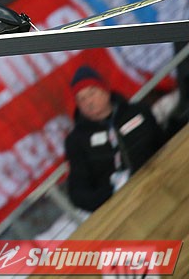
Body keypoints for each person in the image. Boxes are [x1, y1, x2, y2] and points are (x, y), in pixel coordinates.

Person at [64, 65, 167, 212]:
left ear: (105, 90)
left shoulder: (137, 111)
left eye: (92, 93)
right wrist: (110, 194)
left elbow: (164, 142)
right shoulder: (76, 141)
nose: (89, 102)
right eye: (82, 99)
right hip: (123, 209)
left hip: (161, 180)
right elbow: (78, 193)